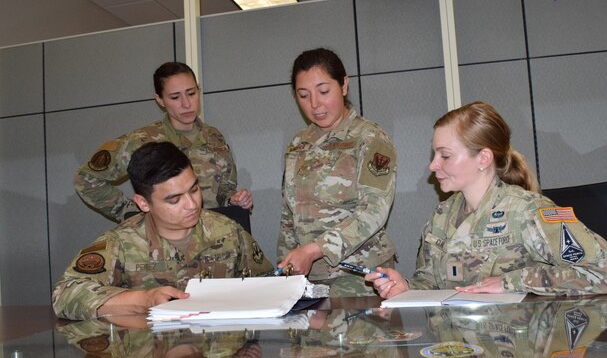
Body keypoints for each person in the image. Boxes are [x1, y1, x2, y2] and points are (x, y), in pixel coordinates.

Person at [366, 101, 607, 298]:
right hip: (458, 353)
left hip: (518, 356)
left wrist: (509, 282)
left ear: (483, 159)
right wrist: (404, 287)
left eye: (444, 156)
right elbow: (433, 287)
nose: (433, 165)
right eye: (434, 154)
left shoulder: (529, 212)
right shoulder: (442, 216)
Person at [53, 141, 272, 320]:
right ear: (143, 203)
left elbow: (269, 285)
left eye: (194, 189)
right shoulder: (122, 243)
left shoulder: (227, 231)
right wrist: (144, 300)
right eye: (174, 199)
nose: (192, 204)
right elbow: (65, 294)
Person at [276, 48, 397, 296]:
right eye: (303, 95)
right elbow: (290, 215)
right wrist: (286, 269)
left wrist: (312, 250)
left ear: (343, 85)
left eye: (323, 91)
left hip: (359, 273)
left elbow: (374, 211)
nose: (315, 104)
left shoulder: (370, 138)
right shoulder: (299, 143)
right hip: (309, 277)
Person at [74, 61, 252, 222]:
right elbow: (86, 179)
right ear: (160, 100)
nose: (186, 104)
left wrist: (233, 199)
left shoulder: (214, 136)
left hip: (212, 237)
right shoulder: (141, 141)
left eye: (191, 93)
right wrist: (132, 213)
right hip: (164, 244)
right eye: (175, 97)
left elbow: (225, 189)